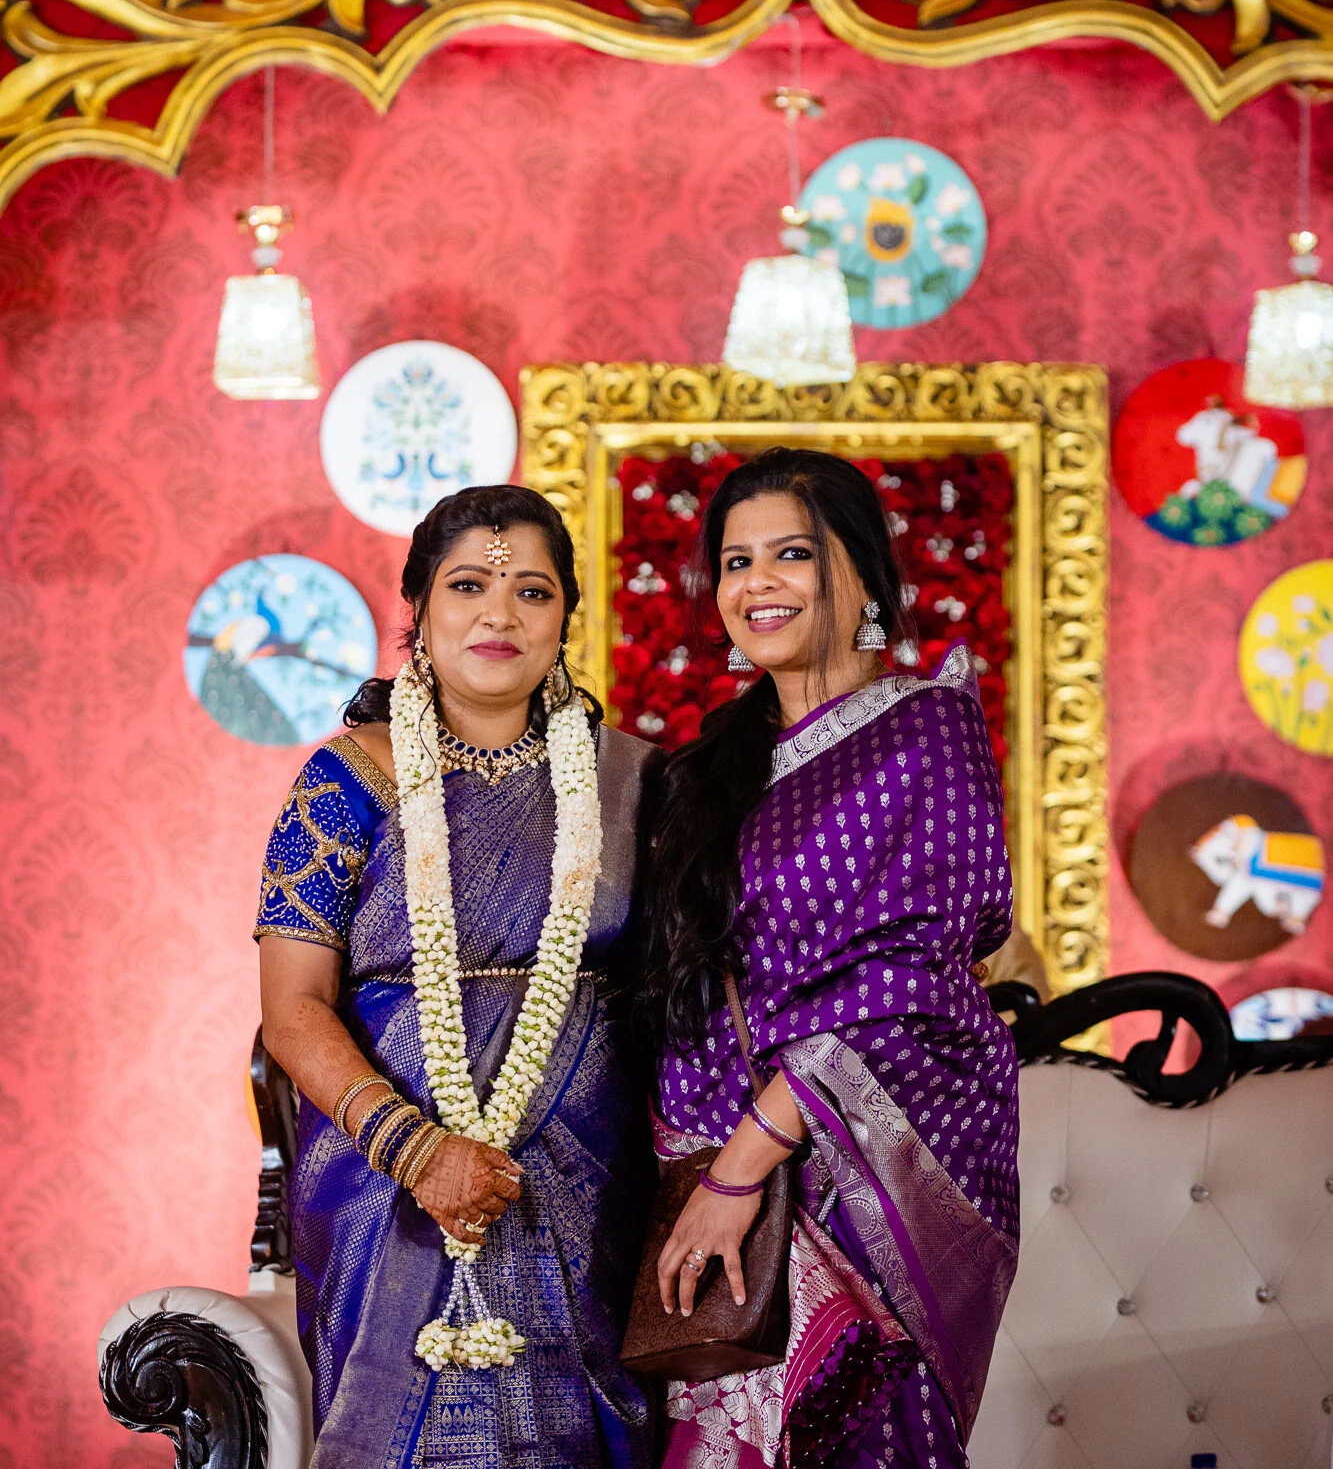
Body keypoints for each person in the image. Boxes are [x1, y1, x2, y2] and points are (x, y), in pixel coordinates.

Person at [255, 486, 655, 1469]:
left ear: (565, 617)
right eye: (468, 584)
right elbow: (290, 1006)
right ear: (418, 613)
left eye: (532, 589)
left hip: (589, 1186)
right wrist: (415, 1150)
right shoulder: (346, 777)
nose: (499, 612)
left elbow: (675, 994)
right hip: (386, 1187)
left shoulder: (633, 783)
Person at [637, 448, 1019, 1468]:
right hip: (711, 1176)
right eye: (734, 560)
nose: (755, 581)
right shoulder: (713, 762)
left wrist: (742, 1165)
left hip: (862, 1172)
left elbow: (911, 980)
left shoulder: (925, 732)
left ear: (860, 574)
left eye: (790, 554)